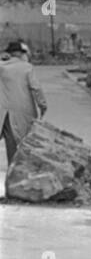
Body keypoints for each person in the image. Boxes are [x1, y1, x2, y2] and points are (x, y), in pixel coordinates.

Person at [0, 40, 47, 173]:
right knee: (27, 142)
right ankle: (25, 174)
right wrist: (43, 105)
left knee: (11, 145)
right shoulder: (27, 67)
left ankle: (13, 174)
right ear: (21, 54)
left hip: (6, 114)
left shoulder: (1, 67)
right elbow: (36, 88)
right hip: (25, 112)